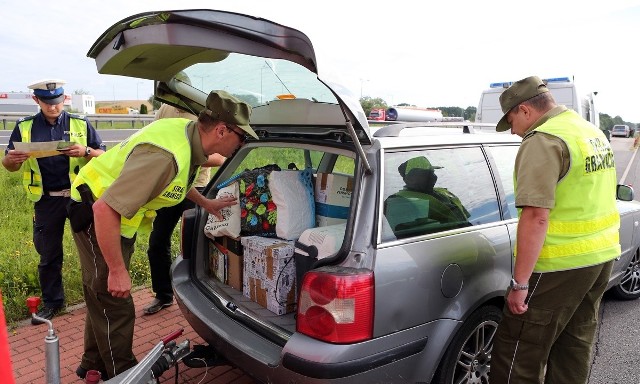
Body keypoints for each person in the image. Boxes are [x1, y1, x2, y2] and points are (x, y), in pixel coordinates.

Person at [68, 90, 257, 380]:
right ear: (221, 130)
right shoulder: (166, 154)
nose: (240, 144)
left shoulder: (186, 136)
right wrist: (117, 270)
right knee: (115, 301)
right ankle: (123, 375)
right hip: (98, 214)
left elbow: (173, 180)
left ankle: (92, 363)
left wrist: (205, 203)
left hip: (115, 216)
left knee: (101, 296)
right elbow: (105, 210)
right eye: (241, 137)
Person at [490, 76, 620, 383]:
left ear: (524, 110)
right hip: (599, 258)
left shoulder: (544, 139)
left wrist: (520, 283)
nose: (512, 129)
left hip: (557, 265)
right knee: (574, 344)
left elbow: (536, 216)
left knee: (519, 350)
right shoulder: (589, 132)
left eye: (510, 120)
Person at [1, 79, 105, 325]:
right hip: (47, 200)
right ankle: (53, 302)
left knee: (93, 249)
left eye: (57, 101)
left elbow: (104, 156)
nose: (53, 107)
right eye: (47, 102)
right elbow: (8, 165)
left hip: (79, 198)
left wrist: (86, 152)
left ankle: (99, 295)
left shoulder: (80, 123)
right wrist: (13, 160)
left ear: (64, 98)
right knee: (48, 255)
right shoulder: (25, 127)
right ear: (37, 101)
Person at [143, 103, 226, 315]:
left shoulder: (202, 110)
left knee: (197, 245)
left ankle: (205, 294)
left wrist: (184, 156)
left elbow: (219, 157)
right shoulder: (165, 109)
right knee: (157, 243)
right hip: (170, 185)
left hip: (196, 187)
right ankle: (163, 295)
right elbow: (155, 138)